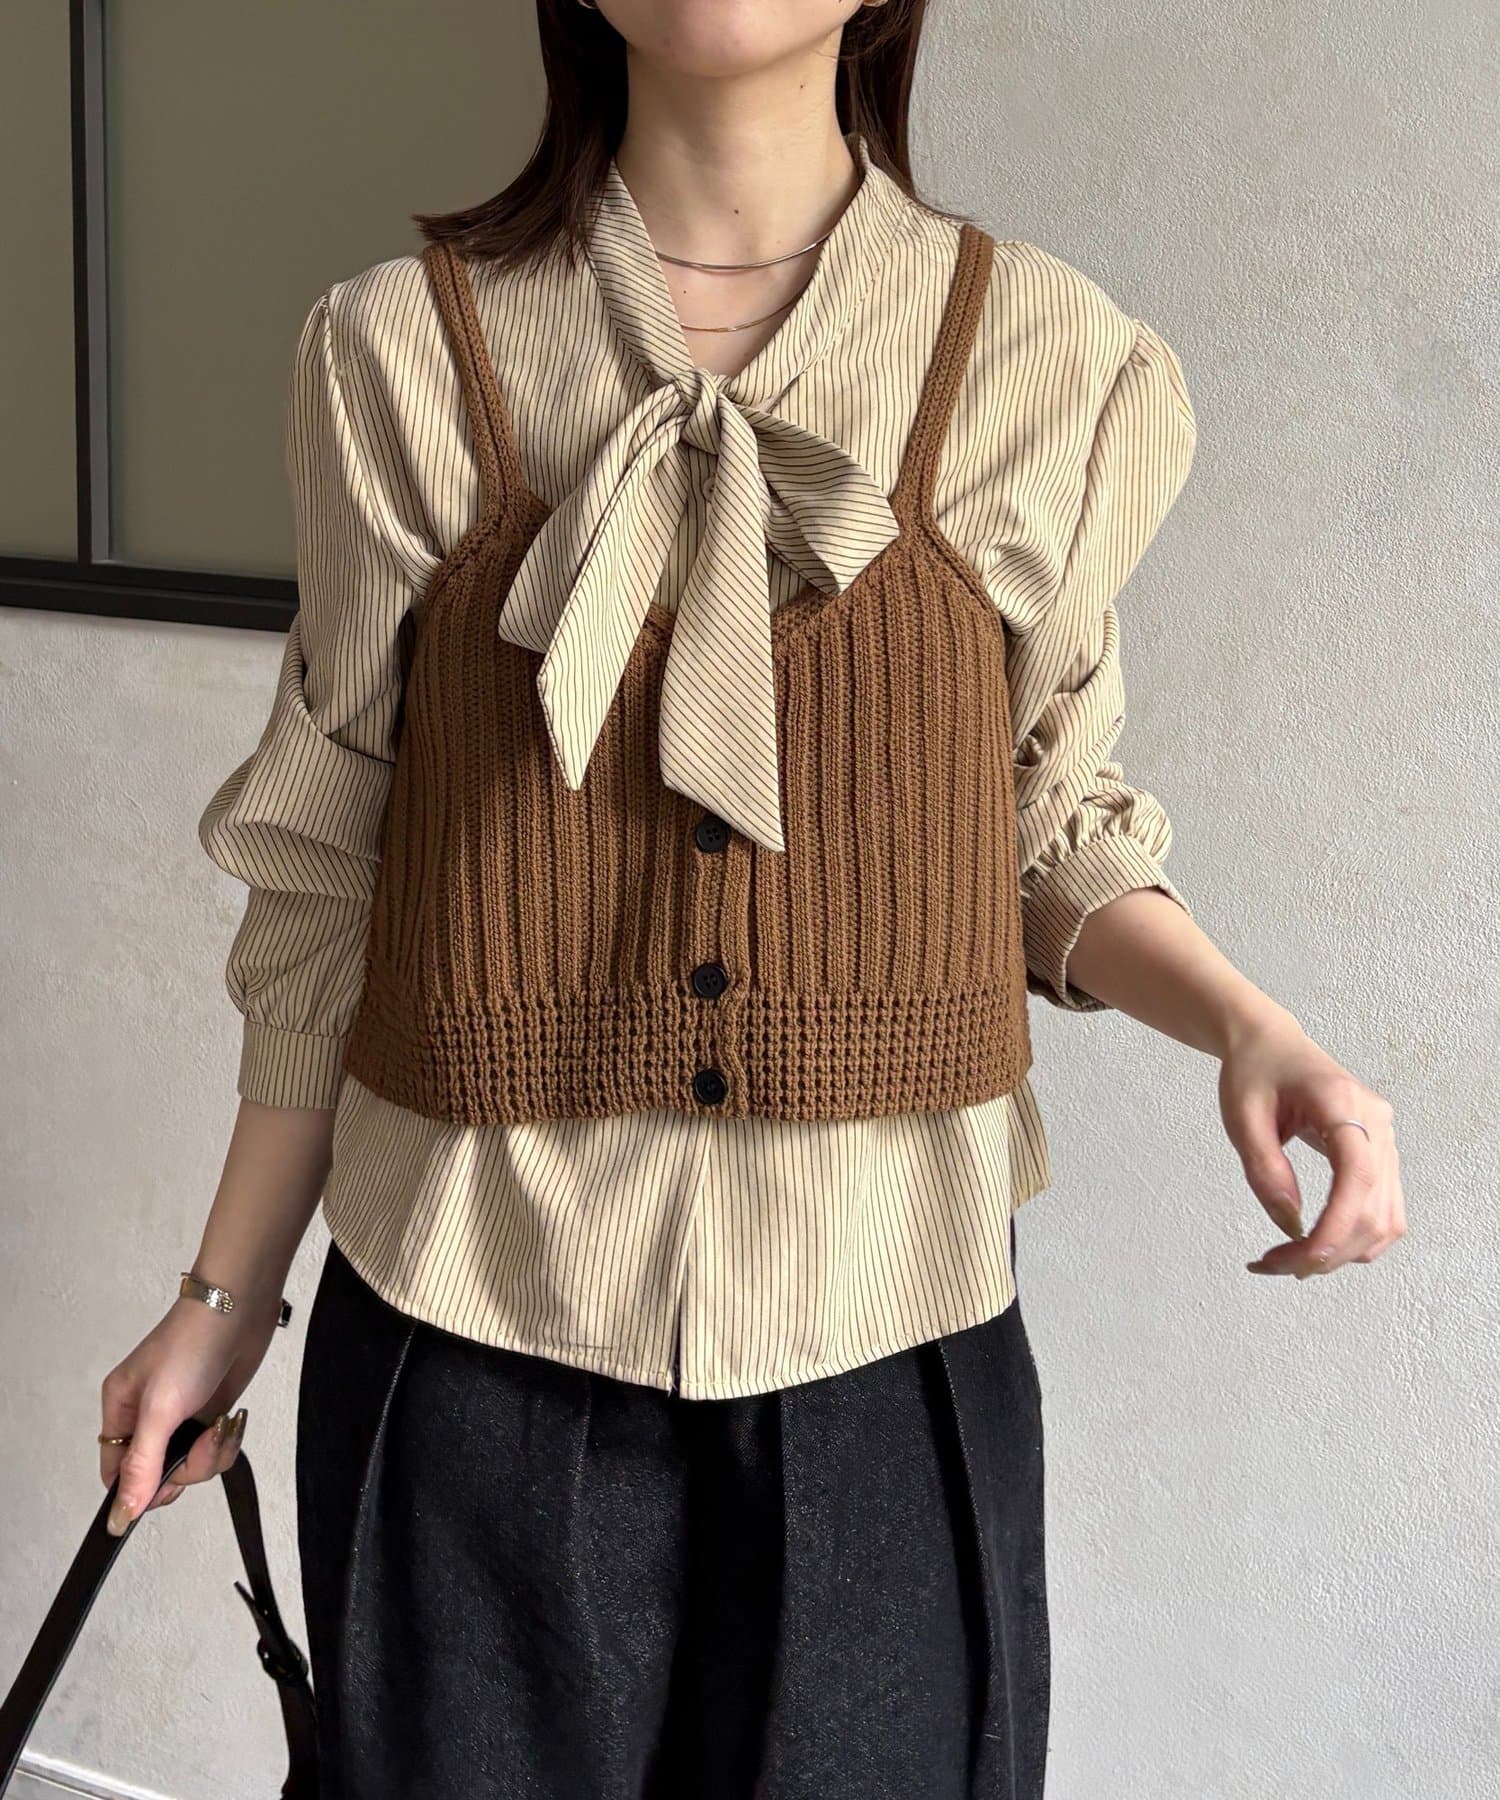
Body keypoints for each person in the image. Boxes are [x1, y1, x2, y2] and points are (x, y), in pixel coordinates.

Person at [95, 3, 1406, 1795]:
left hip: (889, 1352)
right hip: (469, 1326)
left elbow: (1042, 818)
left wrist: (1250, 1025)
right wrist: (224, 1295)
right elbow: (334, 871)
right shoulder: (396, 354)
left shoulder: (1054, 363)